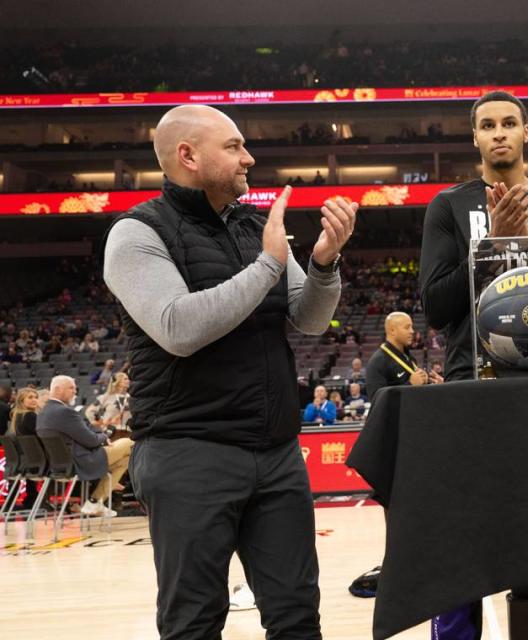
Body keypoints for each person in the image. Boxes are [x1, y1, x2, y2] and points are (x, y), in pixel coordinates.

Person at [102, 104, 356, 640]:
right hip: (188, 453)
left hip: (277, 452)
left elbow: (309, 320)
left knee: (296, 617)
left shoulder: (252, 227)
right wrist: (267, 265)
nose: (250, 157)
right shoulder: (135, 233)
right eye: (235, 146)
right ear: (188, 156)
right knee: (194, 622)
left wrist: (324, 264)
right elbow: (177, 327)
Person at [419, 90, 528, 640]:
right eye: (487, 124)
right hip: (473, 387)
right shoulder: (448, 206)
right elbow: (436, 308)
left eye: (509, 123)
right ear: (474, 137)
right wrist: (492, 244)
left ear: (526, 132)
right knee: (461, 540)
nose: (499, 133)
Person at [347, 310, 434, 599]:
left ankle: (412, 557)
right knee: (394, 505)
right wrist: (410, 386)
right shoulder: (378, 361)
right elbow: (379, 402)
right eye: (407, 327)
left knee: (412, 505)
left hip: (411, 441)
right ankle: (395, 560)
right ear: (391, 330)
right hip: (391, 443)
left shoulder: (407, 358)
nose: (413, 331)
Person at [36, 376, 132, 517]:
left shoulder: (43, 413)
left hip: (60, 464)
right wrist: (105, 437)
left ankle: (95, 502)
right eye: (71, 388)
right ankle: (95, 501)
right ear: (57, 389)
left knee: (124, 459)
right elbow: (91, 440)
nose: (75, 391)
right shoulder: (64, 412)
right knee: (129, 443)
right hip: (81, 461)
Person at [84, 372, 132, 437]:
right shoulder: (106, 397)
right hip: (111, 433)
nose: (128, 381)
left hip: (128, 434)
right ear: (118, 382)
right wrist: (100, 422)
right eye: (125, 379)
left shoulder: (131, 398)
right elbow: (89, 412)